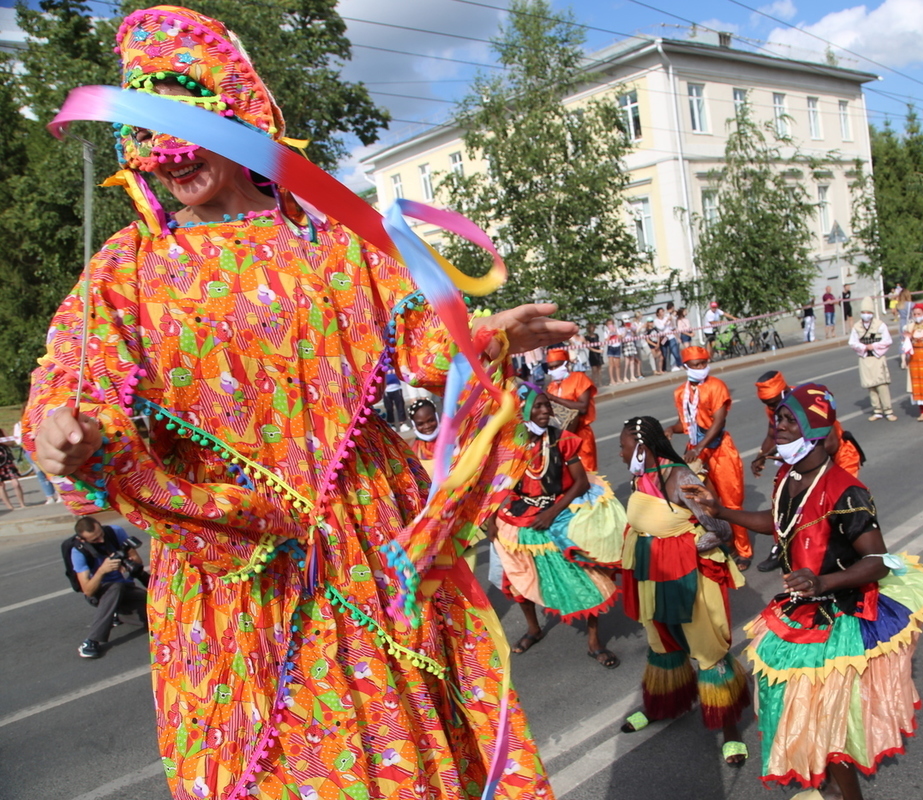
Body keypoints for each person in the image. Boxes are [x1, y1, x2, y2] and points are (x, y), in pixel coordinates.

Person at [25, 8, 568, 796]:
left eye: (186, 123)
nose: (170, 160)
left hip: (360, 546)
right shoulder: (128, 266)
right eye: (148, 132)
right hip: (231, 571)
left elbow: (418, 338)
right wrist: (64, 435)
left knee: (392, 751)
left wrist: (482, 336)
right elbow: (76, 387)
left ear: (242, 120)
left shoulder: (333, 240)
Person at [681, 383, 923, 800]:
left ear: (813, 428)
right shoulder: (790, 476)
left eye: (787, 420)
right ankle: (833, 788)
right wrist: (720, 510)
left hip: (840, 614)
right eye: (777, 418)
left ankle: (845, 794)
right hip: (802, 608)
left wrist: (822, 582)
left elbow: (877, 561)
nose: (776, 427)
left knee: (827, 722)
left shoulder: (845, 490)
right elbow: (777, 522)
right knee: (807, 712)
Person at [615, 415, 750, 766]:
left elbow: (720, 527)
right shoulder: (639, 476)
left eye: (623, 446)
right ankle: (664, 705)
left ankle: (730, 728)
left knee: (706, 647)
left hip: (687, 574)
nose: (619, 452)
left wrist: (689, 545)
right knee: (662, 642)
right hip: (649, 570)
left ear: (641, 448)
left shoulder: (682, 476)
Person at [489, 388, 623, 668]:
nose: (545, 411)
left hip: (559, 509)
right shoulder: (512, 445)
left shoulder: (563, 440)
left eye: (546, 406)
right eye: (538, 407)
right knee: (518, 576)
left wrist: (551, 512)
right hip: (519, 513)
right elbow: (497, 486)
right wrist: (491, 522)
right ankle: (534, 628)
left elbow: (581, 483)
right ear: (524, 412)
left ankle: (594, 642)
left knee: (585, 576)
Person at [750, 370, 864, 573]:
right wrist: (763, 455)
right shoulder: (778, 406)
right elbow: (773, 433)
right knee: (786, 502)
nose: (773, 409)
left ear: (784, 392)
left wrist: (792, 453)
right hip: (804, 458)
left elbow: (829, 444)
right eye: (769, 406)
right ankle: (784, 546)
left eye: (775, 403)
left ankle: (839, 559)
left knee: (828, 510)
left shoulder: (809, 402)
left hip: (838, 458)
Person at [669, 346, 751, 570]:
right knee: (703, 502)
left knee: (732, 502)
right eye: (696, 365)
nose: (701, 368)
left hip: (720, 450)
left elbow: (718, 422)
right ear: (685, 366)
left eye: (704, 363)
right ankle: (724, 544)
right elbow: (686, 425)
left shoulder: (716, 386)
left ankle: (743, 550)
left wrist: (700, 447)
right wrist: (668, 429)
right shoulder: (680, 393)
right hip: (696, 450)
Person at [69, 516, 148, 658]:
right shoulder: (78, 552)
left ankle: (118, 614)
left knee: (157, 612)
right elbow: (88, 590)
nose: (101, 540)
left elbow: (137, 561)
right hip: (101, 593)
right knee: (115, 587)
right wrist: (102, 571)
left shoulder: (115, 532)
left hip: (126, 588)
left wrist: (126, 562)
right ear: (83, 540)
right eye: (95, 540)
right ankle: (92, 640)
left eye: (101, 534)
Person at [544, 347, 598, 471]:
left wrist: (553, 398)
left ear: (566, 364)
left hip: (581, 436)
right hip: (560, 439)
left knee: (587, 475)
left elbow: (583, 407)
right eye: (550, 367)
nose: (553, 370)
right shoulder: (551, 386)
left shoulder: (579, 378)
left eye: (556, 366)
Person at [848, 297, 896, 421]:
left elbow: (887, 341)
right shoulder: (857, 326)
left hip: (877, 358)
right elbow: (852, 342)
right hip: (865, 359)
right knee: (871, 386)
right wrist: (863, 347)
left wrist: (874, 346)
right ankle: (877, 410)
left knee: (881, 385)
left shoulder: (880, 325)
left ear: (873, 313)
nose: (866, 315)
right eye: (864, 312)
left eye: (869, 312)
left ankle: (888, 410)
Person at [407, 398, 439, 474]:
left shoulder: (452, 440)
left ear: (436, 417)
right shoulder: (411, 449)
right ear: (414, 424)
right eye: (420, 424)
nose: (427, 426)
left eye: (431, 420)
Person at [0, 426, 28, 510]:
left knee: (15, 483)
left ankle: (22, 504)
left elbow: (11, 443)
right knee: (1, 486)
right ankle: (10, 507)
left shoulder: (1, 430)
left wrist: (3, 441)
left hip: (6, 459)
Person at [654, 306, 681, 371]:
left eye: (662, 311)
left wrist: (671, 319)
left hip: (670, 336)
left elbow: (671, 326)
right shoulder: (656, 320)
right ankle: (664, 369)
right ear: (657, 313)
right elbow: (661, 328)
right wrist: (666, 322)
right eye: (660, 312)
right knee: (665, 354)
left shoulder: (666, 318)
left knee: (675, 352)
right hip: (663, 338)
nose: (662, 313)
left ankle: (679, 365)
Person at [605, 317, 623, 385]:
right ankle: (612, 380)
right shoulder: (606, 331)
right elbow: (606, 340)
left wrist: (615, 332)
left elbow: (620, 337)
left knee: (617, 364)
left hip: (617, 346)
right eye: (609, 324)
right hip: (611, 348)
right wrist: (610, 333)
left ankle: (618, 378)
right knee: (611, 365)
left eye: (611, 324)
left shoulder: (617, 330)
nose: (610, 325)